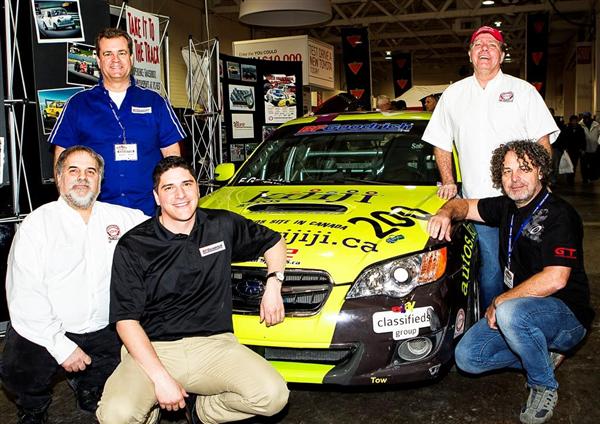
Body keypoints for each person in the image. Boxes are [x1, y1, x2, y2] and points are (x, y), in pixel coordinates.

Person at [96, 156, 289, 424]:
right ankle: (147, 410)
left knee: (273, 395)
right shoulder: (134, 245)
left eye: (187, 184)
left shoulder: (221, 225)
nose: (180, 195)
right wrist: (161, 380)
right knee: (117, 415)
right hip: (153, 348)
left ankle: (204, 412)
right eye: (169, 188)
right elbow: (126, 322)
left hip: (214, 346)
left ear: (198, 189)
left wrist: (273, 284)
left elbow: (275, 242)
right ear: (156, 196)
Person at [427, 141, 593, 424]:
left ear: (541, 171)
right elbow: (464, 206)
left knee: (509, 311)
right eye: (506, 171)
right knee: (468, 357)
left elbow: (556, 277)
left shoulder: (560, 215)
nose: (514, 179)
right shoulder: (506, 206)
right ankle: (542, 358)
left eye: (524, 169)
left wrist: (501, 299)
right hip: (522, 313)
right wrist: (446, 212)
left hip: (567, 316)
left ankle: (543, 385)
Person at [2, 146, 147, 424]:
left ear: (99, 181)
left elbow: (166, 231)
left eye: (90, 172)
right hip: (47, 329)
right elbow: (25, 295)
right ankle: (33, 407)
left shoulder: (123, 218)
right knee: (19, 369)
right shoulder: (37, 225)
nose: (82, 177)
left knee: (114, 385)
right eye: (73, 170)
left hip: (104, 330)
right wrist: (61, 346)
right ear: (59, 178)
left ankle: (88, 386)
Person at [422, 25, 559, 309]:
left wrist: (541, 185)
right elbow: (440, 142)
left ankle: (533, 323)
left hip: (523, 201)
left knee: (533, 267)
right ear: (470, 54)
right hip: (479, 204)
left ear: (502, 54)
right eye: (479, 45)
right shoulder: (453, 95)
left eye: (492, 45)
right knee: (491, 274)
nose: (485, 49)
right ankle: (492, 328)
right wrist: (448, 181)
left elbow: (543, 143)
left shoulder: (523, 91)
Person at [48, 28, 186, 216]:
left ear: (131, 57)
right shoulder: (78, 105)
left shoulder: (155, 102)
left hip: (149, 212)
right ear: (98, 60)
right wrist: (68, 206)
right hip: (96, 214)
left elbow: (172, 157)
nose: (115, 60)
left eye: (121, 53)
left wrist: (171, 203)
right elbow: (61, 160)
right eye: (108, 54)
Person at [557, 115, 586, 185]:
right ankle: (568, 178)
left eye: (575, 120)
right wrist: (564, 147)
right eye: (573, 120)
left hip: (576, 150)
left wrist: (582, 149)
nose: (574, 122)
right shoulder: (566, 128)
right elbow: (563, 139)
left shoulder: (580, 129)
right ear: (570, 121)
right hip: (568, 150)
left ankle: (571, 178)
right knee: (568, 164)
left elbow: (583, 140)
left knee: (574, 164)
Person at [579, 112, 600, 183]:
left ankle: (592, 177)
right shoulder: (580, 124)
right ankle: (585, 178)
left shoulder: (596, 125)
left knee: (593, 165)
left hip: (595, 148)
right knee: (584, 165)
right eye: (585, 117)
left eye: (588, 117)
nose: (586, 119)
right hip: (584, 149)